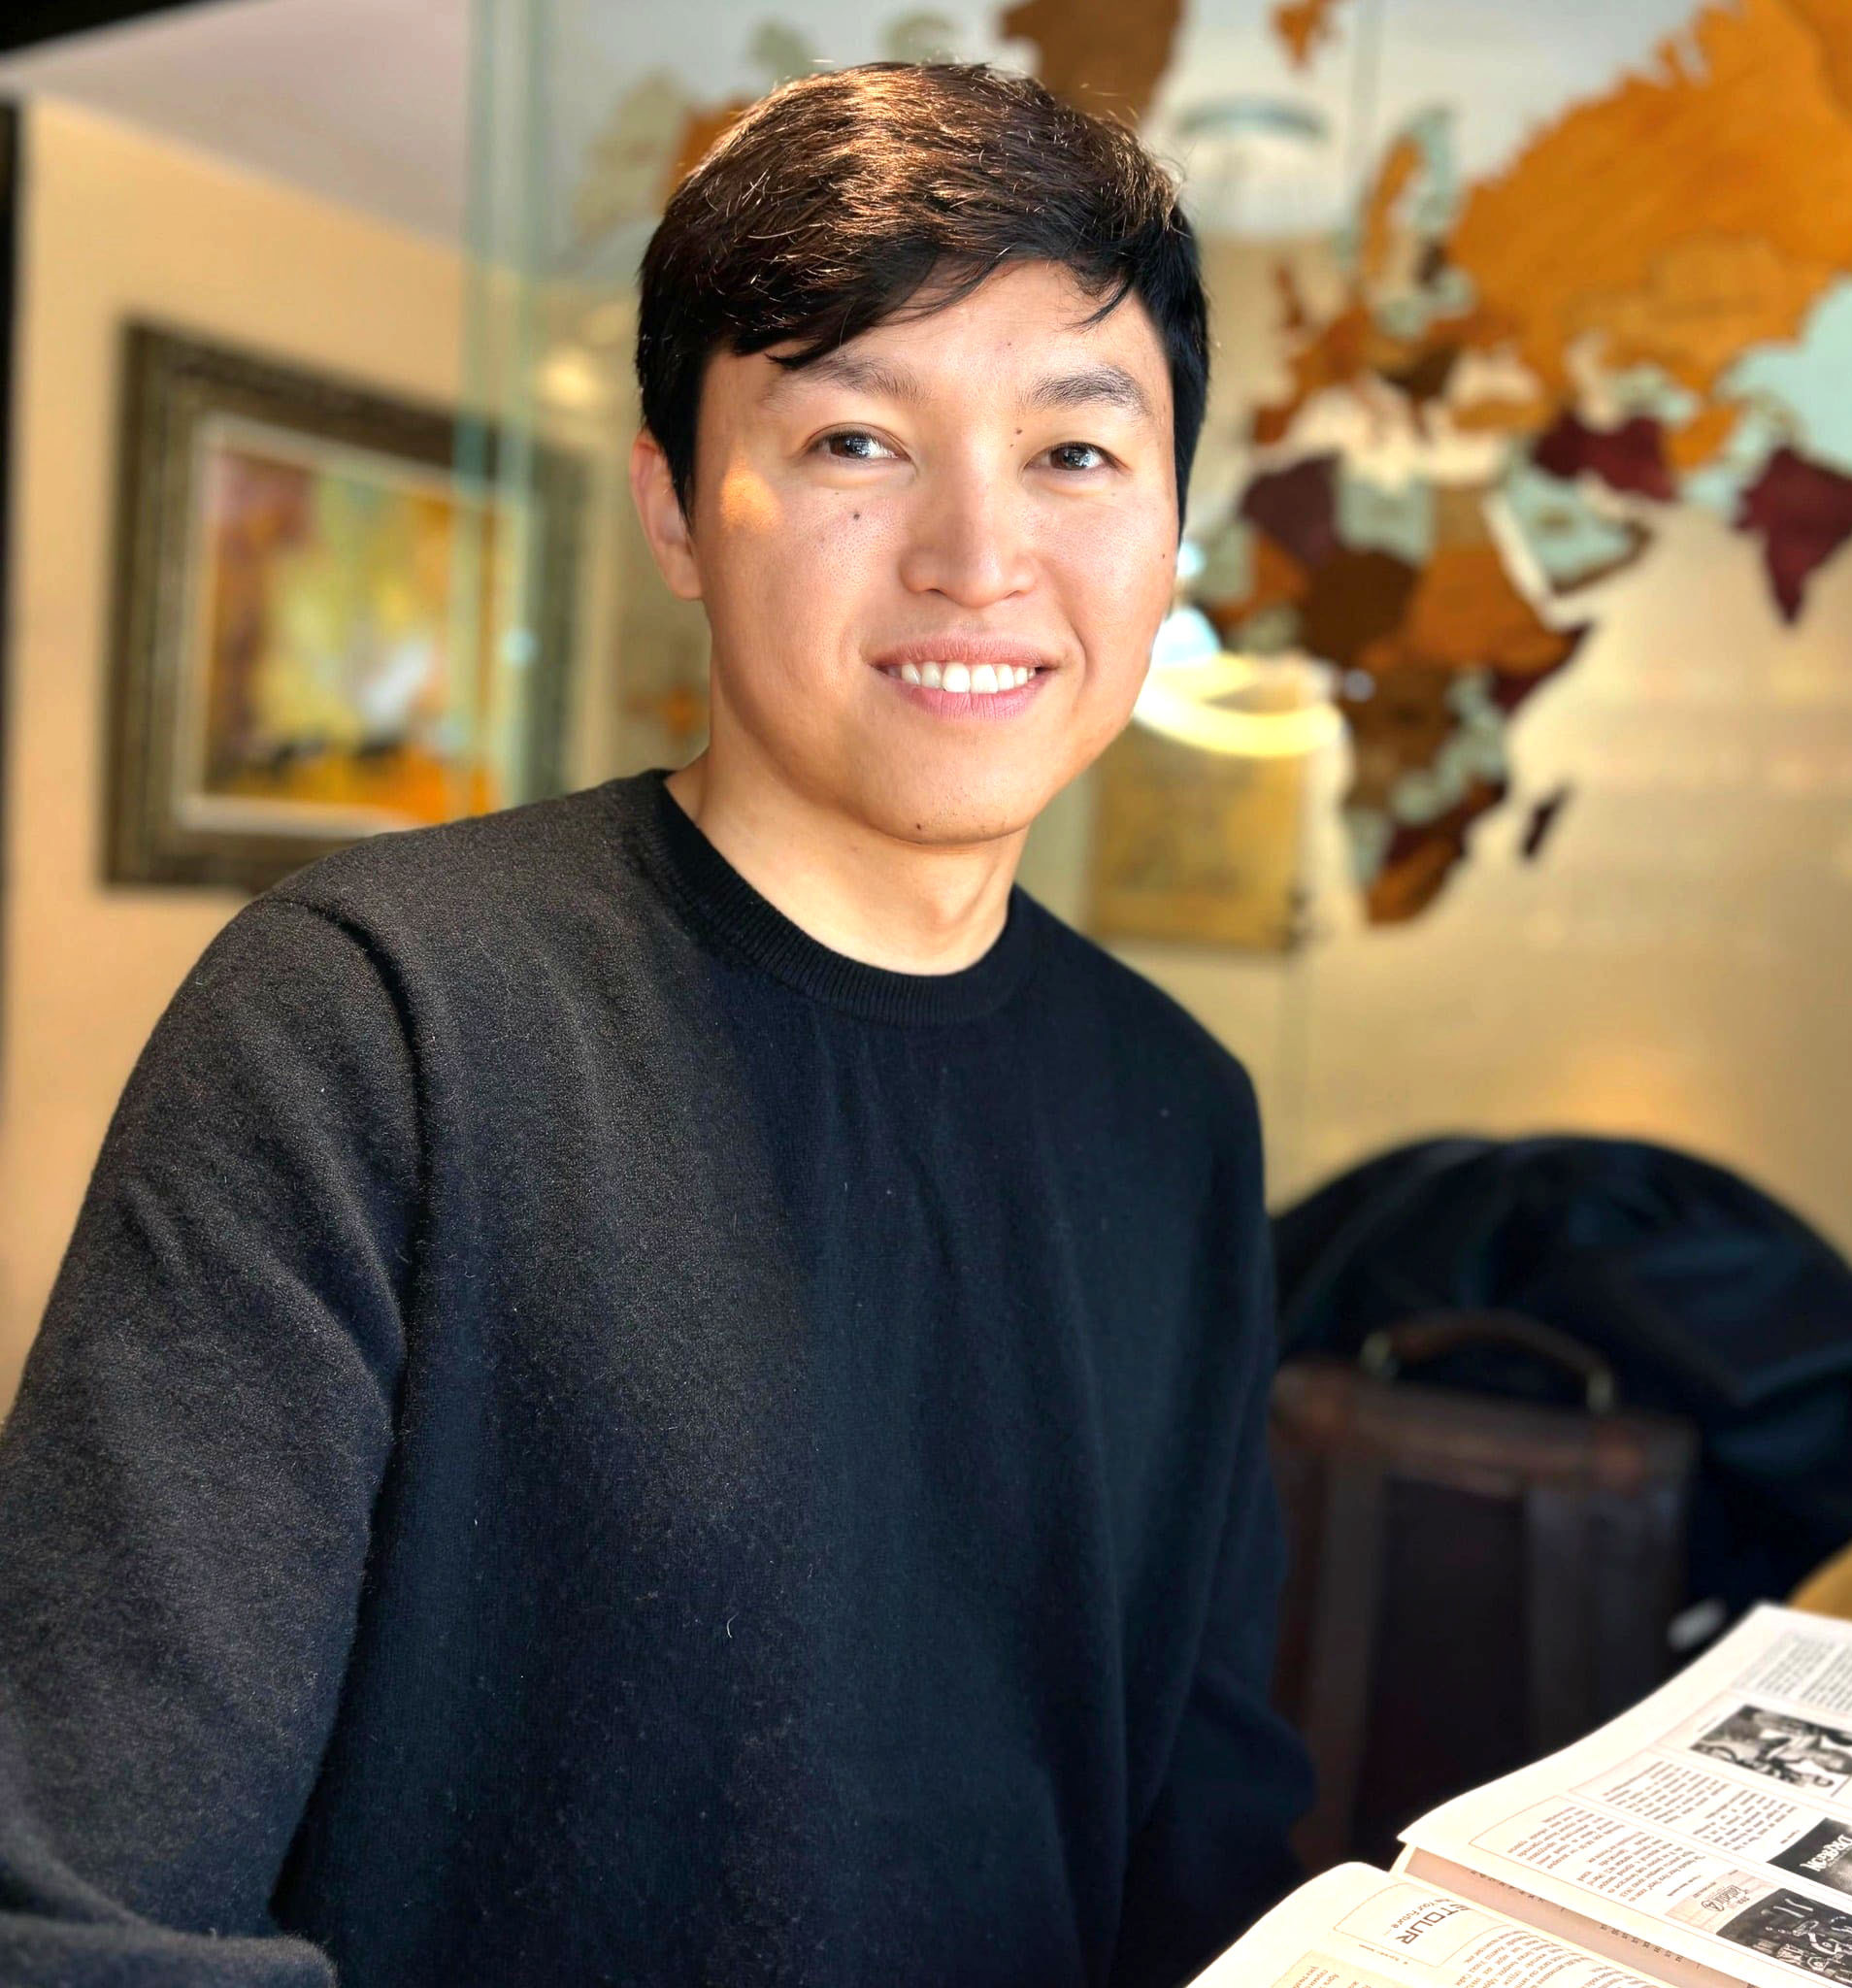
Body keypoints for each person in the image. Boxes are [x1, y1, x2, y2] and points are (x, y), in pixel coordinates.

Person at [0, 59, 1314, 1988]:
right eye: (857, 439)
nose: (977, 557)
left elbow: (1204, 1831)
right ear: (678, 511)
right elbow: (78, 1914)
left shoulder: (1178, 1113)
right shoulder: (373, 1025)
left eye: (1076, 453)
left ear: (1173, 520)